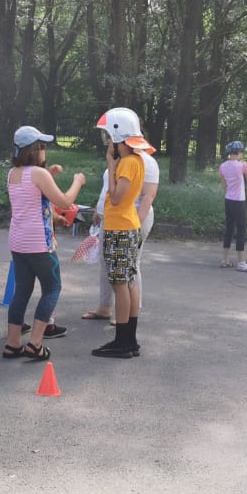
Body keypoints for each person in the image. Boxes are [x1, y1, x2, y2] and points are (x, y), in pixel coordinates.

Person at [2, 125, 85, 361]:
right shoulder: (39, 174)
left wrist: (50, 175)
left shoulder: (13, 173)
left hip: (18, 243)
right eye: (42, 146)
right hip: (39, 244)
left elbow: (32, 197)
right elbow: (65, 202)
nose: (45, 150)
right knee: (52, 288)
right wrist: (78, 182)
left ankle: (13, 344)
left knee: (22, 291)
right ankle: (35, 343)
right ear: (34, 149)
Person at [80, 108, 159, 324]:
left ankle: (127, 316)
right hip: (114, 220)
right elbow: (108, 188)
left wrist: (135, 226)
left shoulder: (139, 162)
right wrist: (99, 211)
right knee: (110, 266)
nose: (107, 141)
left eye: (109, 136)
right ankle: (106, 307)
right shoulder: (123, 160)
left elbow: (146, 196)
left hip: (127, 222)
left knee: (127, 271)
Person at [91, 107, 151, 360]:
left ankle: (122, 341)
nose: (107, 142)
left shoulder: (127, 163)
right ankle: (129, 340)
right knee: (129, 281)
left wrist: (110, 165)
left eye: (109, 137)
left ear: (119, 138)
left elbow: (116, 198)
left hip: (120, 229)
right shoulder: (136, 161)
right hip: (127, 227)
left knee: (120, 284)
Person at [220, 140, 247, 272]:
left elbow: (224, 185)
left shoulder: (222, 166)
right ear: (240, 152)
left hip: (228, 200)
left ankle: (225, 260)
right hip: (239, 201)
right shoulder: (243, 166)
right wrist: (246, 168)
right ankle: (241, 262)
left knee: (229, 229)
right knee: (241, 231)